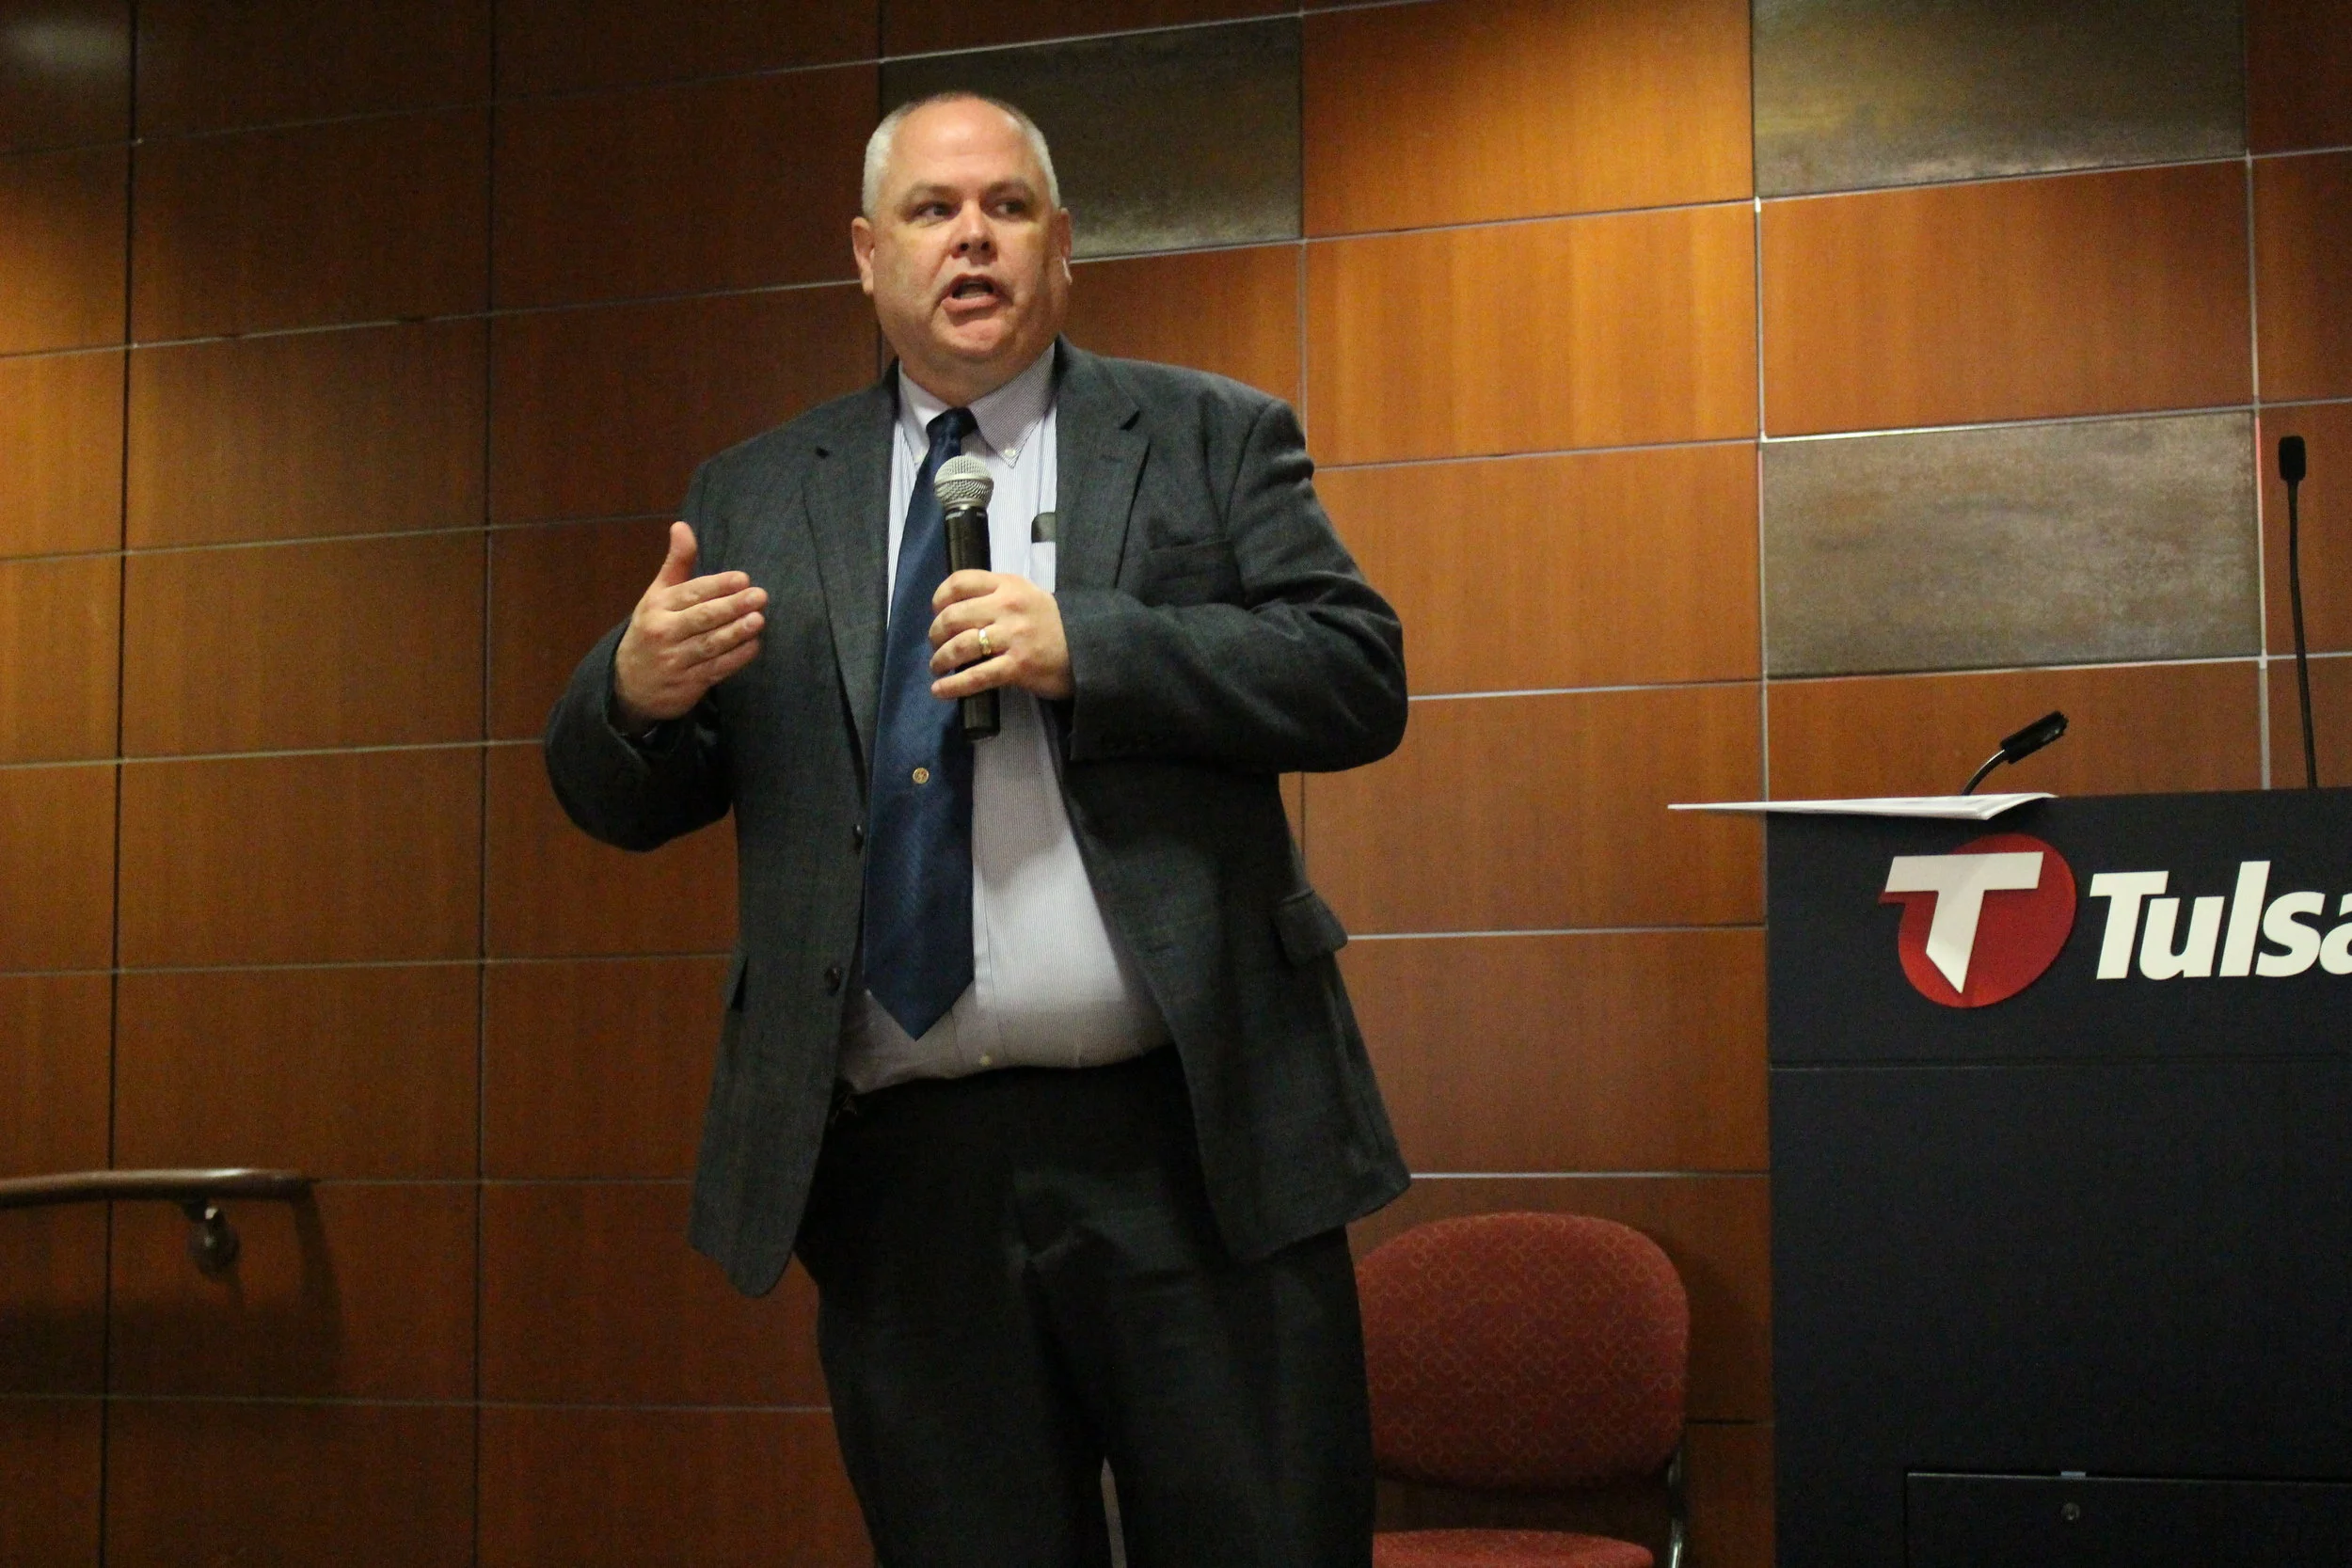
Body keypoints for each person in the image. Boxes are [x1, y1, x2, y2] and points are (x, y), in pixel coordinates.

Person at [545, 90, 1408, 1567]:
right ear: (867, 258)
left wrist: (1099, 643)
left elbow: (1354, 674)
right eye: (935, 213)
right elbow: (627, 797)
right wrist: (627, 693)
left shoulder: (1209, 437)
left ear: (1062, 249)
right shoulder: (756, 492)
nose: (972, 241)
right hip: (903, 1176)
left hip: (1189, 1145)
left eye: (1007, 209)